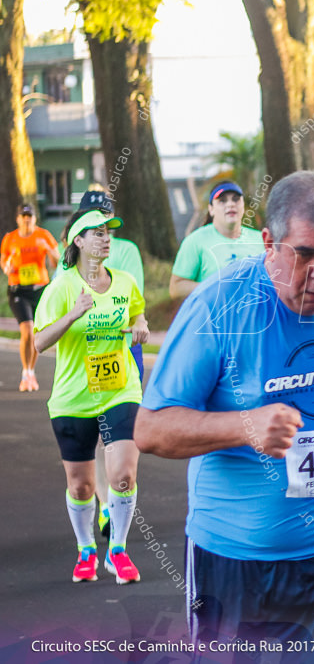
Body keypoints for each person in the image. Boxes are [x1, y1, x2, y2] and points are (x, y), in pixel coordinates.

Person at [136, 169, 314, 646]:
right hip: (240, 564)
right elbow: (150, 428)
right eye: (305, 253)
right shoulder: (220, 305)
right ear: (268, 242)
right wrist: (245, 426)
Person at [33, 207, 148, 584]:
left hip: (119, 389)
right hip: (73, 397)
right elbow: (39, 341)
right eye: (96, 232)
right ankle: (86, 549)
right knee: (81, 486)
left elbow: (136, 313)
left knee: (123, 475)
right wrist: (73, 315)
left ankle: (117, 549)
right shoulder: (63, 287)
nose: (106, 237)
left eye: (108, 232)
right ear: (78, 241)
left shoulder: (125, 282)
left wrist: (141, 326)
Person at [77, 190, 147, 541]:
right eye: (92, 217)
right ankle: (104, 503)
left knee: (115, 438)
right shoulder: (68, 265)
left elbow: (134, 302)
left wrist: (139, 323)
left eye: (105, 216)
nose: (101, 225)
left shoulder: (129, 251)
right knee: (89, 437)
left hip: (122, 352)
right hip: (85, 355)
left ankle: (113, 498)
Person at [168, 180, 264, 299]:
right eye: (222, 201)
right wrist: (215, 287)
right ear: (211, 209)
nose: (230, 204)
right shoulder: (195, 241)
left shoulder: (261, 239)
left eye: (236, 199)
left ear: (243, 206)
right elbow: (176, 288)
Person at [2, 204, 59, 391]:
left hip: (39, 290)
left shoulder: (43, 236)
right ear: (18, 219)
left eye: (30, 216)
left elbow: (56, 262)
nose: (27, 219)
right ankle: (25, 372)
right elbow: (4, 262)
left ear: (35, 218)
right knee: (26, 330)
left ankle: (31, 372)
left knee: (35, 333)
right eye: (23, 216)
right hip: (18, 290)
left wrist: (48, 250)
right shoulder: (10, 239)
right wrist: (6, 267)